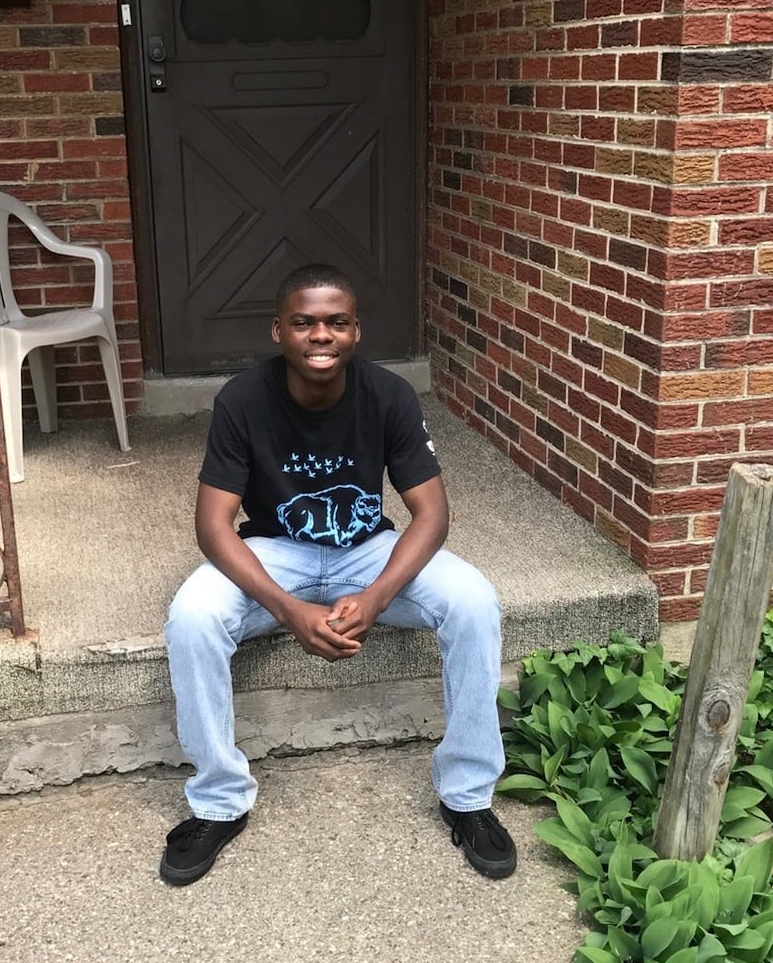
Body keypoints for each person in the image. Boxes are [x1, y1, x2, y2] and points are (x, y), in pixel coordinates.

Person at [160, 262, 515, 886]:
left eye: (336, 322)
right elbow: (213, 526)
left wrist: (376, 598)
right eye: (304, 322)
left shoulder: (388, 395)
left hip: (365, 551)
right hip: (276, 552)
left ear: (356, 332)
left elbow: (430, 514)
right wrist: (286, 608)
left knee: (474, 601)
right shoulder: (242, 400)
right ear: (279, 331)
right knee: (191, 617)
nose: (320, 335)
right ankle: (219, 802)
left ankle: (468, 796)